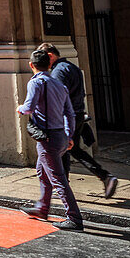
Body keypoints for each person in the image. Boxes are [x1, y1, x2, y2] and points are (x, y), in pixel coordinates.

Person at [39, 43, 118, 199]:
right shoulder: (71, 67)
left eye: (43, 59)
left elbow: (58, 97)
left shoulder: (58, 72)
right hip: (77, 114)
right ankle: (104, 177)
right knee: (72, 150)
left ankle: (63, 186)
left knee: (61, 150)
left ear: (49, 56)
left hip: (67, 117)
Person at [18, 49, 83, 230]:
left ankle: (74, 218)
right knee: (42, 171)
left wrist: (20, 108)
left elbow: (29, 108)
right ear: (49, 64)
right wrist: (69, 136)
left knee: (58, 179)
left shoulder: (36, 83)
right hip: (61, 135)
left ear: (31, 65)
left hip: (48, 138)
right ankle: (42, 208)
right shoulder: (59, 85)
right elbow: (69, 113)